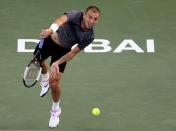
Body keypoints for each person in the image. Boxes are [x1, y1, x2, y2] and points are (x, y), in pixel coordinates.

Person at [34, 6, 101, 128]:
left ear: (97, 21)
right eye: (90, 17)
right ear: (84, 15)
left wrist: (57, 63)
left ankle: (55, 111)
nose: (92, 21)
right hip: (49, 39)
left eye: (95, 19)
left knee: (54, 83)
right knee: (37, 62)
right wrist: (50, 30)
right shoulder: (75, 15)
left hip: (63, 51)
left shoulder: (89, 37)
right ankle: (44, 78)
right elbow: (60, 20)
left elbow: (73, 53)